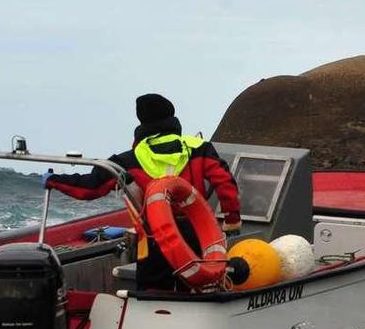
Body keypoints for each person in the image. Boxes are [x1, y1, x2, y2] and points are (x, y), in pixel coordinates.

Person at [43, 93, 241, 290]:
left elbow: (90, 187)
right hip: (196, 234)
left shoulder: (128, 160)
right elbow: (225, 183)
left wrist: (54, 180)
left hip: (154, 240)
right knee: (198, 288)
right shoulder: (200, 148)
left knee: (153, 294)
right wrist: (232, 220)